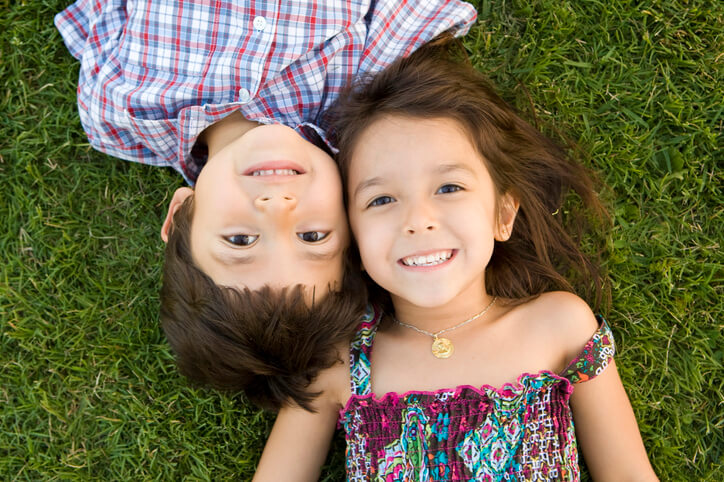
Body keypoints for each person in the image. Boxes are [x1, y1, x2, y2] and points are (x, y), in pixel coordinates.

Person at [254, 38, 658, 480]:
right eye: (382, 199)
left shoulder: (559, 325)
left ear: (503, 214)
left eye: (449, 188)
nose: (418, 221)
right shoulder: (341, 364)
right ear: (352, 235)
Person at [55, 0, 477, 409]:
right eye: (313, 236)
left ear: (181, 213)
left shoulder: (120, 114)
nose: (279, 205)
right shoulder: (360, 87)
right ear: (351, 220)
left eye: (240, 240)